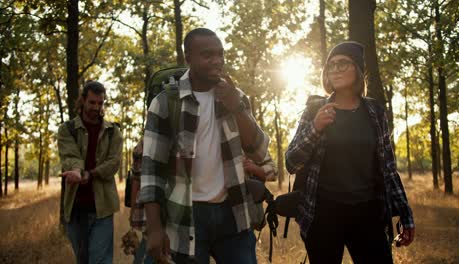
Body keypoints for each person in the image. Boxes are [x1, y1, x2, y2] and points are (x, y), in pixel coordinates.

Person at [138, 28, 269, 264]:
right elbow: (151, 170)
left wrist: (235, 106)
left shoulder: (234, 95)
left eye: (220, 54)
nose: (217, 61)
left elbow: (258, 150)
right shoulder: (166, 102)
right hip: (186, 216)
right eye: (207, 55)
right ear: (188, 57)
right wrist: (155, 229)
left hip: (234, 212)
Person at [285, 41, 415, 263]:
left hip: (368, 214)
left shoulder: (375, 112)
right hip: (323, 215)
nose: (335, 69)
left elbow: (388, 168)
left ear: (358, 68)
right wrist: (315, 128)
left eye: (343, 63)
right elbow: (291, 162)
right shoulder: (315, 110)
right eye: (331, 65)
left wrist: (405, 213)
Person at [57, 80, 123, 264]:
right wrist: (77, 171)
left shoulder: (113, 132)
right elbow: (70, 156)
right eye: (92, 102)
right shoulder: (67, 130)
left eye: (100, 103)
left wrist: (90, 174)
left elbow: (113, 163)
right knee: (83, 260)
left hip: (102, 208)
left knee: (100, 260)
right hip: (76, 209)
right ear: (83, 100)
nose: (96, 107)